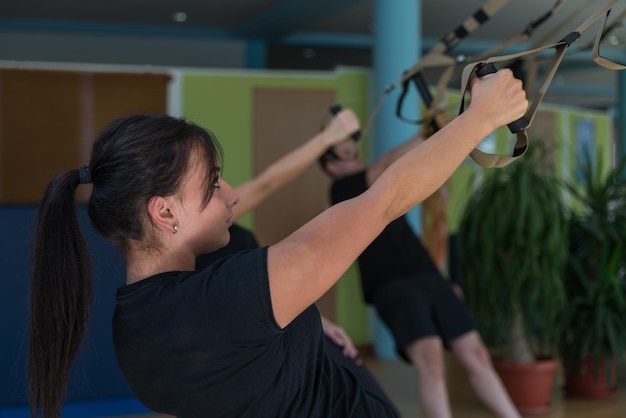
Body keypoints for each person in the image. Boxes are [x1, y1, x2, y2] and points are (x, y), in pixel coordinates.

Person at [28, 68, 527, 418]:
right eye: (214, 184)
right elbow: (385, 200)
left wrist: (305, 323)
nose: (232, 193)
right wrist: (481, 117)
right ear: (164, 212)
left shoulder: (138, 326)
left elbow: (244, 366)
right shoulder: (222, 302)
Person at [318, 132, 521, 417]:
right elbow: (386, 163)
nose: (358, 156)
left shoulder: (377, 186)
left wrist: (445, 282)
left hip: (427, 276)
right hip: (391, 285)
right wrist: (429, 132)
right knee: (432, 358)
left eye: (356, 150)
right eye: (348, 154)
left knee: (476, 354)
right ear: (331, 167)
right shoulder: (341, 189)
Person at [194, 128, 395, 407]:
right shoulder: (197, 234)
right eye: (214, 181)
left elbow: (269, 285)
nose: (231, 194)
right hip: (263, 351)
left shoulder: (230, 231)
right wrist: (327, 137)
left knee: (368, 394)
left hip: (289, 327)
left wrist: (319, 322)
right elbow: (268, 182)